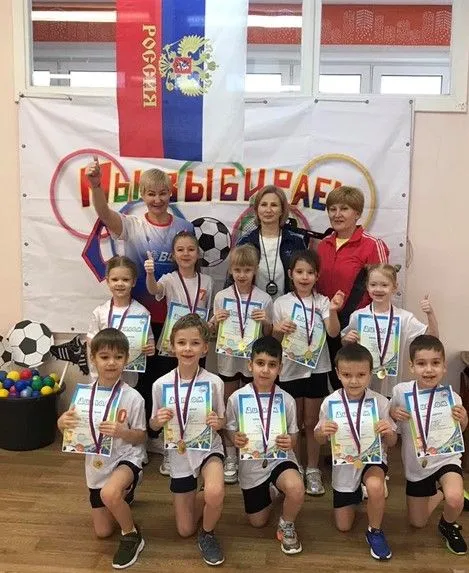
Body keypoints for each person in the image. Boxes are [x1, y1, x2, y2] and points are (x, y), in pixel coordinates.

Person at [85, 158, 194, 426]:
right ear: (142, 195)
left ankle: (165, 435)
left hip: (173, 320)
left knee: (169, 382)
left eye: (163, 193)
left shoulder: (184, 228)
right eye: (151, 194)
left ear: (170, 193)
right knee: (141, 384)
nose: (157, 199)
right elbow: (104, 213)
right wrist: (96, 186)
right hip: (139, 321)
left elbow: (191, 273)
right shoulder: (132, 225)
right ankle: (140, 434)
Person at [58, 328, 147, 570]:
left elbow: (141, 437)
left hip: (127, 457)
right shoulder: (83, 395)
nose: (111, 363)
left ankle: (132, 535)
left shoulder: (133, 397)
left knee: (110, 494)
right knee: (103, 531)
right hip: (97, 465)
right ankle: (123, 494)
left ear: (126, 360)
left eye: (118, 357)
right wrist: (61, 424)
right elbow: (72, 433)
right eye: (104, 357)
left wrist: (123, 432)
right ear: (93, 358)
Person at [150, 314, 226, 566]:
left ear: (205, 348)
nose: (188, 349)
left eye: (195, 343)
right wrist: (158, 420)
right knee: (184, 530)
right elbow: (152, 424)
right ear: (172, 346)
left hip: (208, 448)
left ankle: (208, 533)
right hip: (179, 454)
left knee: (215, 491)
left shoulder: (214, 383)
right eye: (181, 343)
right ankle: (200, 499)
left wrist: (218, 422)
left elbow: (223, 420)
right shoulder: (161, 385)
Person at [315, 343, 397, 561]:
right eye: (347, 375)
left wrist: (388, 431)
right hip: (345, 464)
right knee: (343, 526)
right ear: (337, 374)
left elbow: (392, 441)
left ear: (370, 374)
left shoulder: (380, 402)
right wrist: (323, 431)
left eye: (361, 375)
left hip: (372, 459)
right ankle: (360, 493)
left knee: (375, 485)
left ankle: (375, 531)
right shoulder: (330, 403)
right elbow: (318, 438)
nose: (354, 381)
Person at [273, 250, 344, 495]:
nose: (305, 277)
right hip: (290, 370)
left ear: (317, 276)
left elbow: (333, 333)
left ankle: (312, 468)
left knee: (312, 422)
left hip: (317, 369)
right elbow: (274, 340)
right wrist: (278, 329)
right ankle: (294, 466)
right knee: (293, 422)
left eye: (310, 272)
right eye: (300, 272)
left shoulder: (322, 302)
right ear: (290, 274)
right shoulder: (281, 303)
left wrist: (333, 310)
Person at [390, 335, 468, 556]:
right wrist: (394, 413)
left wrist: (463, 419)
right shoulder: (400, 392)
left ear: (444, 367)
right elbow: (390, 418)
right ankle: (442, 492)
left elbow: (459, 431)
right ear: (412, 366)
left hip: (445, 459)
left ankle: (447, 524)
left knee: (455, 498)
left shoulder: (452, 397)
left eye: (435, 363)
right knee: (418, 522)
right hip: (417, 465)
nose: (429, 369)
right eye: (422, 363)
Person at [226, 336, 304, 554]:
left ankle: (287, 524)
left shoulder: (286, 400)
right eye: (260, 363)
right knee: (257, 522)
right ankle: (272, 490)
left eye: (272, 365)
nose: (265, 370)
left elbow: (294, 435)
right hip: (251, 466)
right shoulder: (236, 398)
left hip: (280, 459)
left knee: (296, 488)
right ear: (250, 365)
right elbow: (229, 430)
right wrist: (234, 438)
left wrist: (290, 441)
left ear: (280, 368)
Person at [145, 231, 213, 475]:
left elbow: (208, 311)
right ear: (173, 255)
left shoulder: (207, 281)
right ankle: (169, 448)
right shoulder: (169, 278)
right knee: (172, 397)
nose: (186, 254)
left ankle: (194, 441)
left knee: (194, 395)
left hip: (197, 344)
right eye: (180, 250)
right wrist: (150, 274)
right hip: (172, 344)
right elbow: (154, 289)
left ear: (198, 253)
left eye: (191, 249)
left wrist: (212, 324)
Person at [210, 244, 273, 484]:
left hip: (251, 362)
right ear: (230, 270)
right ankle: (230, 455)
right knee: (228, 405)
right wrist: (215, 320)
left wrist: (266, 322)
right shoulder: (221, 297)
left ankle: (248, 450)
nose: (242, 275)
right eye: (237, 270)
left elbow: (269, 335)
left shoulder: (264, 299)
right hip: (228, 359)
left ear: (255, 270)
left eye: (247, 270)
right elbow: (212, 332)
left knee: (249, 405)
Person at [316, 185, 389, 390]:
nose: (337, 214)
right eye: (333, 209)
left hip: (359, 328)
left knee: (360, 384)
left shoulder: (372, 245)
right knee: (336, 381)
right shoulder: (323, 245)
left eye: (344, 209)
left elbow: (383, 288)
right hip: (328, 325)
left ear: (357, 213)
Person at [342, 263, 438, 397]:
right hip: (362, 385)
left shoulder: (404, 318)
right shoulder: (358, 316)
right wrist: (346, 340)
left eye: (384, 285)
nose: (378, 289)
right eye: (373, 284)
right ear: (367, 287)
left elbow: (432, 339)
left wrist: (430, 314)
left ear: (394, 287)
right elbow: (346, 346)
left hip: (392, 387)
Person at [87, 256, 155, 388]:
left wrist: (149, 348)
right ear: (107, 281)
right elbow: (90, 338)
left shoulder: (142, 313)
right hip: (102, 377)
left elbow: (149, 341)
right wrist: (107, 347)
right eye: (115, 279)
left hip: (128, 380)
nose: (120, 284)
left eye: (125, 279)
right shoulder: (100, 311)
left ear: (133, 282)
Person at [237, 185, 307, 299]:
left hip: (287, 308)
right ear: (257, 209)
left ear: (282, 210)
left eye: (274, 205)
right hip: (253, 308)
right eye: (263, 205)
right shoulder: (245, 242)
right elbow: (233, 281)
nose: (268, 210)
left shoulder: (296, 242)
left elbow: (306, 279)